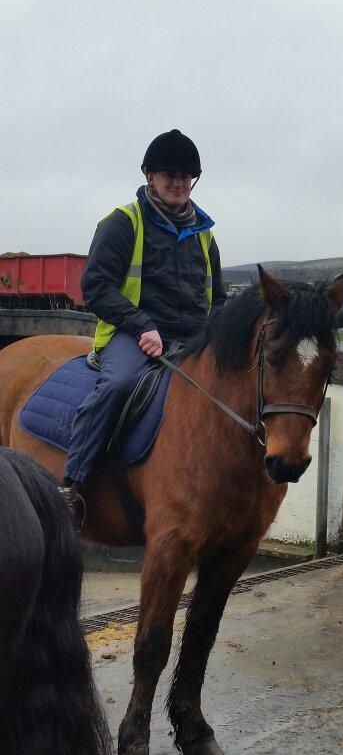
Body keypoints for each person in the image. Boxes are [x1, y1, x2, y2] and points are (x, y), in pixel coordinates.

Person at [59, 129, 227, 520]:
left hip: (192, 339)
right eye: (169, 173)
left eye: (186, 175)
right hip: (133, 335)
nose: (178, 182)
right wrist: (141, 325)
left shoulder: (205, 235)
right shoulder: (123, 223)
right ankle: (72, 484)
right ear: (150, 176)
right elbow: (95, 287)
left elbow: (217, 300)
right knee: (116, 386)